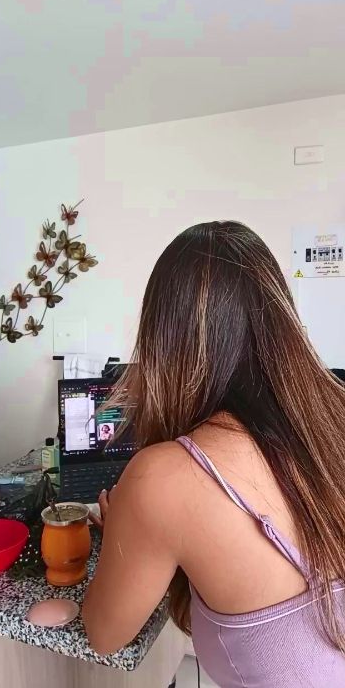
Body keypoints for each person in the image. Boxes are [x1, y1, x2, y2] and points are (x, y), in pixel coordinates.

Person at [82, 221, 345, 687]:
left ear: (164, 342)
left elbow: (103, 635)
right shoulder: (331, 420)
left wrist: (126, 533)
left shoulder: (164, 477)